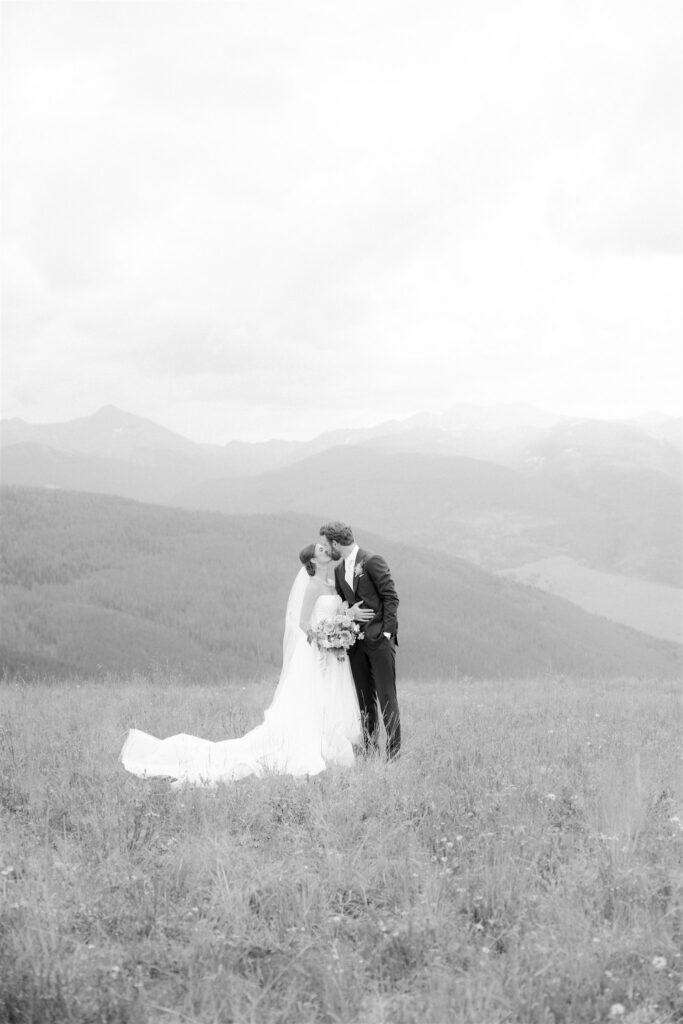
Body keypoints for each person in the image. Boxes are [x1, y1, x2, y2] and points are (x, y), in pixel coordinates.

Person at [120, 542, 361, 786]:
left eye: (324, 548)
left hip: (332, 652)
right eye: (320, 550)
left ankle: (328, 742)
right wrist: (325, 640)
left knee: (326, 696)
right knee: (310, 698)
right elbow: (302, 623)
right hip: (315, 650)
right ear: (313, 561)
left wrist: (342, 623)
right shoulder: (313, 586)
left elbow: (332, 614)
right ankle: (308, 744)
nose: (325, 550)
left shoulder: (331, 584)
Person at [319, 521, 401, 760]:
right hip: (355, 645)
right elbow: (343, 602)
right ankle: (370, 751)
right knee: (364, 700)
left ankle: (393, 754)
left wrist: (386, 634)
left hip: (380, 642)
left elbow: (391, 597)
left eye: (327, 545)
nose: (327, 549)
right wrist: (349, 613)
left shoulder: (372, 561)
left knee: (387, 697)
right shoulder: (339, 570)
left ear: (336, 543)